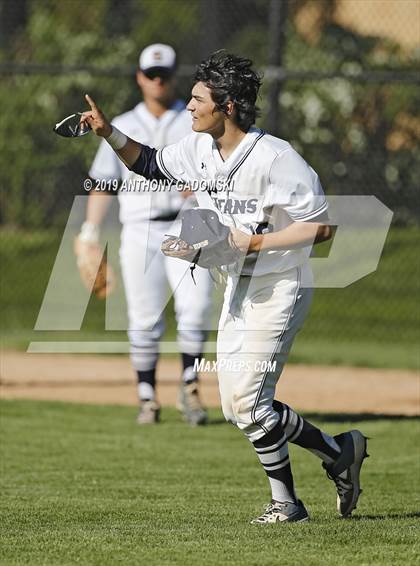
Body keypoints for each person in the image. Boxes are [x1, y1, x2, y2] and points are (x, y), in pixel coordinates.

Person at [79, 51, 369, 523]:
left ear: (228, 105)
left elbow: (322, 228)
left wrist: (253, 240)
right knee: (239, 409)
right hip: (238, 286)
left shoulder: (276, 157)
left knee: (250, 404)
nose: (189, 107)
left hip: (279, 285)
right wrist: (107, 132)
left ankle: (287, 505)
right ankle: (339, 453)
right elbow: (149, 164)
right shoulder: (197, 149)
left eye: (198, 99)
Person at [75, 44, 213, 426]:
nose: (158, 81)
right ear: (139, 77)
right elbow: (102, 183)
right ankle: (147, 397)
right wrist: (89, 233)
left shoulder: (193, 121)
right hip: (139, 229)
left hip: (190, 225)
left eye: (164, 75)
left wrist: (201, 186)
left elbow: (215, 168)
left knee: (196, 308)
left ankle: (190, 387)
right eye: (151, 75)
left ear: (173, 77)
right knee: (144, 318)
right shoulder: (123, 123)